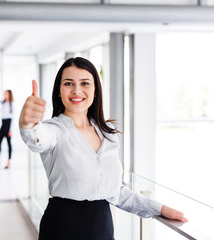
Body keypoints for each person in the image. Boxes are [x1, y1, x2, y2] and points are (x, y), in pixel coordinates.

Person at [19, 57, 187, 240]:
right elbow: (37, 138)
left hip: (102, 228)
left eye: (85, 83)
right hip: (62, 228)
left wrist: (159, 209)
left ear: (95, 90)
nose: (77, 90)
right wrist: (28, 123)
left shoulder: (108, 134)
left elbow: (117, 193)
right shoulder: (54, 130)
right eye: (68, 83)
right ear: (59, 91)